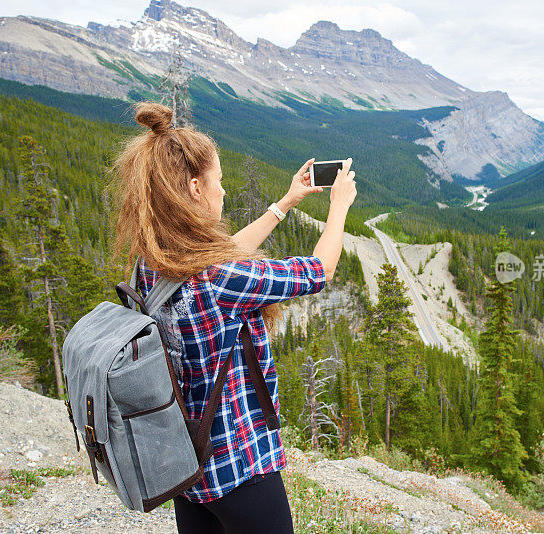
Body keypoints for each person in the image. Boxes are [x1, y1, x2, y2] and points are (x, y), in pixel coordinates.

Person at [107, 102, 357, 534]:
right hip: (241, 468)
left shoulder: (152, 264)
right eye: (219, 181)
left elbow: (222, 260)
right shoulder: (220, 279)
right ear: (195, 187)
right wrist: (339, 207)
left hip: (186, 470)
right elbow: (321, 271)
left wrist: (285, 204)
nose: (224, 192)